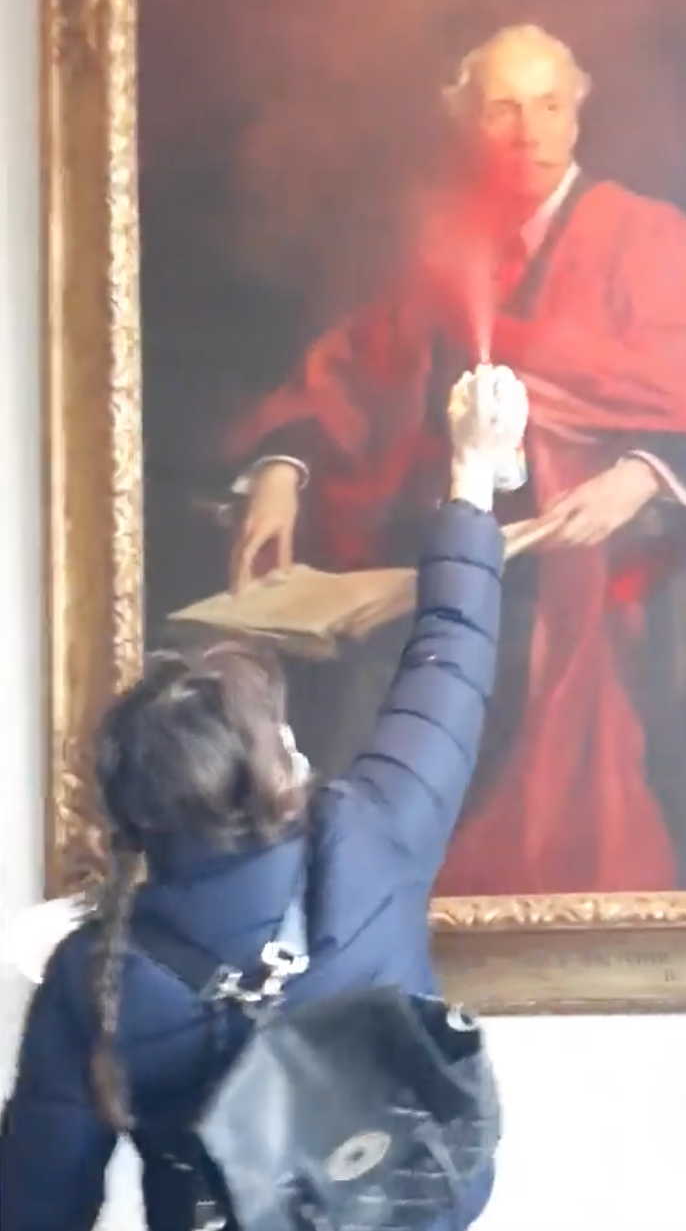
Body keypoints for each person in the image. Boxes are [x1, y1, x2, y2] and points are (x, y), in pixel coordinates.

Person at [225, 23, 686, 897]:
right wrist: (282, 469)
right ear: (465, 121)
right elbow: (356, 375)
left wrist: (643, 471)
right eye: (501, 110)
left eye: (547, 106)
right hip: (437, 557)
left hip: (606, 566)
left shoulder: (652, 241)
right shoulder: (445, 245)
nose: (527, 133)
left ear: (577, 114)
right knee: (347, 693)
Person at [0, 365, 527, 1231]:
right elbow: (451, 657)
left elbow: (36, 1211)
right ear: (275, 765)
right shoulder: (373, 838)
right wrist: (472, 471)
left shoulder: (94, 978)